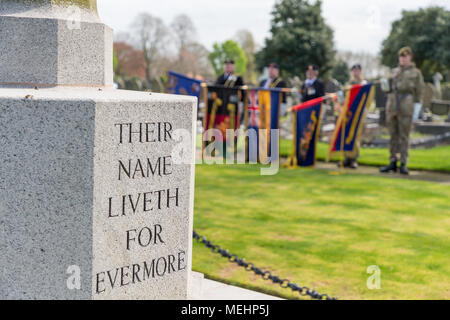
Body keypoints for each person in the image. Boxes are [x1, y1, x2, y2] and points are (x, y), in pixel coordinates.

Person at [380, 47, 424, 175]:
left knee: (404, 136)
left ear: (410, 57)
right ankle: (392, 161)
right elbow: (387, 89)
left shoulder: (416, 73)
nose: (403, 59)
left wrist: (417, 108)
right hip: (393, 105)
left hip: (406, 105)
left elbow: (420, 91)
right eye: (401, 56)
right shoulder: (394, 72)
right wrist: (385, 85)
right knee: (393, 136)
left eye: (405, 56)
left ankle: (403, 163)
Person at [340, 64, 368, 169]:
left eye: (357, 70)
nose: (355, 72)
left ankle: (353, 159)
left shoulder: (363, 83)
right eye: (354, 70)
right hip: (349, 113)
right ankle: (347, 157)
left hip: (359, 112)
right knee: (347, 134)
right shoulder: (349, 83)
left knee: (355, 135)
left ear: (360, 71)